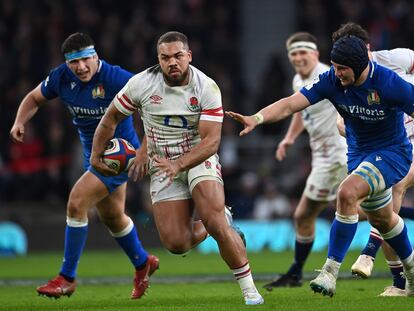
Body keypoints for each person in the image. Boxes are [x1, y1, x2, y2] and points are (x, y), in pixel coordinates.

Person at [226, 35, 414, 298]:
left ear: (359, 65)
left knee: (347, 192)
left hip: (392, 153)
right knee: (384, 220)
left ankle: (329, 272)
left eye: (341, 68)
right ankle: (412, 273)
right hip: (358, 153)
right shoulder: (332, 81)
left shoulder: (390, 83)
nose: (336, 73)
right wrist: (257, 118)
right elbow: (292, 104)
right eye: (334, 67)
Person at [89, 31, 264, 306]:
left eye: (178, 56)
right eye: (165, 57)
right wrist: (95, 156)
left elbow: (212, 142)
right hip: (161, 163)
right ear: (158, 59)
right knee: (176, 243)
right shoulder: (141, 84)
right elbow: (111, 117)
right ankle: (222, 218)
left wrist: (179, 164)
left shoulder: (206, 87)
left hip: (198, 157)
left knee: (214, 221)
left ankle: (249, 289)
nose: (172, 62)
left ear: (189, 56)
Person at [9, 32, 158, 299]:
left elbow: (151, 106)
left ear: (96, 56)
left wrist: (144, 150)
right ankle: (142, 262)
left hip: (118, 156)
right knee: (112, 217)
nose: (81, 67)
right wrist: (20, 121)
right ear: (67, 63)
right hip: (92, 155)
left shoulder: (116, 78)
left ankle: (67, 277)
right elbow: (33, 98)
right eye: (74, 62)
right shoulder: (60, 78)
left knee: (77, 201)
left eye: (86, 59)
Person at [333, 22, 414, 296]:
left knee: (397, 188)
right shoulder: (345, 82)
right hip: (388, 146)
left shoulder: (394, 60)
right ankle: (400, 282)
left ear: (368, 48)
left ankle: (368, 252)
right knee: (382, 212)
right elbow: (340, 123)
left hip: (406, 144)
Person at [262, 32, 348, 290]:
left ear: (315, 54)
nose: (298, 58)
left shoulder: (330, 76)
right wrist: (288, 138)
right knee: (305, 214)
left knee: (357, 211)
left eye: (303, 52)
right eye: (294, 54)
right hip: (322, 159)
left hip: (339, 154)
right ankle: (297, 272)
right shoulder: (298, 80)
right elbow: (300, 109)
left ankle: (397, 213)